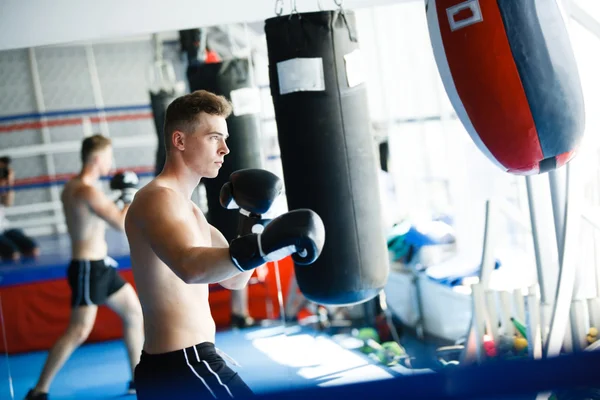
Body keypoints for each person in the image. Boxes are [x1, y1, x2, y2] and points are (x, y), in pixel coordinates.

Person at [125, 90, 325, 399]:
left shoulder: (189, 210)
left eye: (226, 138)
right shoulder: (156, 198)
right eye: (214, 138)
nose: (225, 149)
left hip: (176, 365)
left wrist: (251, 221)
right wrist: (263, 246)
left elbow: (235, 278)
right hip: (184, 363)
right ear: (179, 141)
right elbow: (190, 267)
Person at [25, 135, 145, 400]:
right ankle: (39, 390)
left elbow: (95, 217)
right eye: (109, 157)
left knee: (134, 313)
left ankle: (138, 379)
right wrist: (127, 197)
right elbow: (119, 223)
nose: (110, 163)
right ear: (98, 158)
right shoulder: (87, 191)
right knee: (78, 330)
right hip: (88, 268)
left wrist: (119, 201)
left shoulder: (74, 188)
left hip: (100, 266)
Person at [0, 156, 40, 261]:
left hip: (4, 228)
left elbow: (8, 203)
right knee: (13, 253)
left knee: (33, 249)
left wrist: (9, 184)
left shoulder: (3, 185)